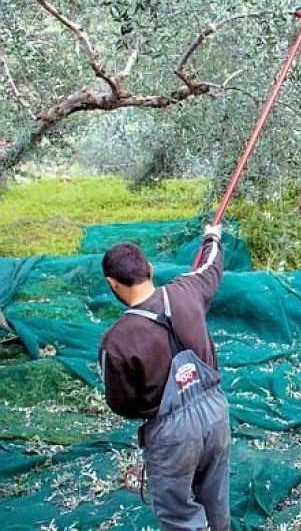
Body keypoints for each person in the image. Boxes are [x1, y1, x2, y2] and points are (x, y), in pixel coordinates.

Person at [99, 224, 230, 531]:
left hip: (171, 434)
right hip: (216, 413)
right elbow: (211, 265)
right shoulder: (189, 289)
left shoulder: (116, 342)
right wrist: (213, 236)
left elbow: (121, 404)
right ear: (150, 269)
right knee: (216, 499)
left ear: (112, 284)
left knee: (179, 516)